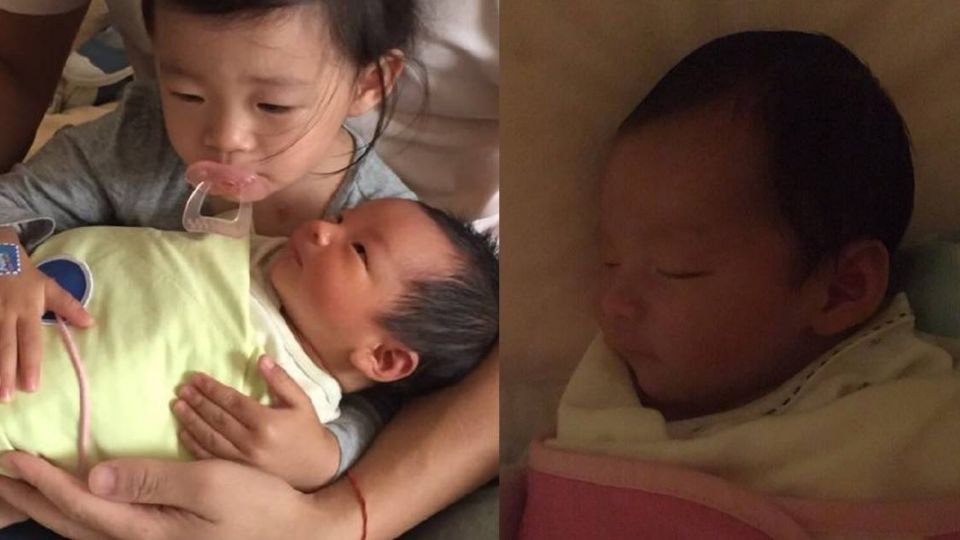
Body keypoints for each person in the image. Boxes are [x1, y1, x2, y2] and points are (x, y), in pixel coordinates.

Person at [0, 1, 499, 539]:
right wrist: (7, 263)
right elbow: (12, 205)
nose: (226, 137)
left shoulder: (397, 240)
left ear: (370, 83)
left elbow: (399, 398)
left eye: (273, 105)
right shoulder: (139, 140)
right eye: (187, 94)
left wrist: (326, 455)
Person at [514, 31, 960, 538]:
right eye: (610, 261)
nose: (613, 303)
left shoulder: (914, 424)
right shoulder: (602, 411)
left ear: (843, 289)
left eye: (676, 269)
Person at [0, 197, 498, 529]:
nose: (321, 228)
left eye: (359, 251)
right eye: (342, 217)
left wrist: (318, 465)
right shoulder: (252, 252)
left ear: (383, 357)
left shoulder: (290, 427)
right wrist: (6, 255)